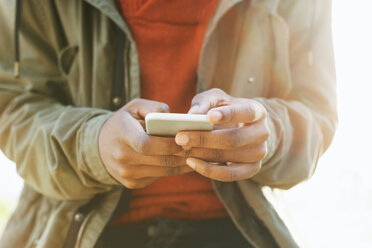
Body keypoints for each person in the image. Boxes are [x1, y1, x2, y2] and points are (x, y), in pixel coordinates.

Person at [0, 0, 336, 247]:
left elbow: (318, 112)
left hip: (236, 226)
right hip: (79, 230)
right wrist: (92, 144)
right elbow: (12, 107)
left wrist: (271, 131)